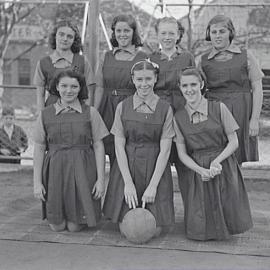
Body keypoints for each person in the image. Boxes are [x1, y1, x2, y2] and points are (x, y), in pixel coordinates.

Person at [173, 67, 253, 240]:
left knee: (226, 201)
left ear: (201, 84)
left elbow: (234, 142)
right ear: (179, 87)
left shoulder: (219, 108)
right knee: (201, 213)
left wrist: (217, 161)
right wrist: (200, 170)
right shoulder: (178, 117)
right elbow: (182, 153)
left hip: (222, 162)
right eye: (185, 85)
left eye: (193, 84)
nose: (189, 89)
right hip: (198, 168)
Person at [103, 59, 175, 235]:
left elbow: (165, 150)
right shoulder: (123, 106)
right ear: (133, 80)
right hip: (128, 165)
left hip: (154, 166)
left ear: (155, 79)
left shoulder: (165, 108)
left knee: (154, 230)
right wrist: (127, 183)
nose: (144, 84)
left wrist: (153, 186)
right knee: (130, 228)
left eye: (148, 79)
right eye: (140, 79)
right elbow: (119, 146)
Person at [33, 70, 109, 232]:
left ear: (80, 88)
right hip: (55, 170)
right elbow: (39, 148)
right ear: (57, 88)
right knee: (57, 226)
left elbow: (98, 146)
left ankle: (78, 216)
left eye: (74, 86)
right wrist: (37, 182)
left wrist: (101, 180)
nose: (69, 90)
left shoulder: (91, 113)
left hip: (83, 168)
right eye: (64, 86)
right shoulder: (45, 114)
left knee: (75, 227)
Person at [199, 15, 264, 164]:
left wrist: (254, 120)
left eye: (222, 31)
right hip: (215, 112)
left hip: (241, 111)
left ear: (230, 32)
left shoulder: (246, 56)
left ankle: (236, 187)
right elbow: (197, 91)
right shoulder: (203, 61)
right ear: (209, 34)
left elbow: (257, 88)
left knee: (237, 156)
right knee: (216, 156)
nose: (217, 35)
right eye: (214, 32)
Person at [94, 14, 148, 166]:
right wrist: (95, 113)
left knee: (130, 152)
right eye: (119, 31)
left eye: (127, 30)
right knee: (111, 150)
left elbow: (145, 89)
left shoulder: (143, 57)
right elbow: (99, 87)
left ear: (134, 33)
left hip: (131, 108)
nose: (122, 34)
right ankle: (113, 189)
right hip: (107, 108)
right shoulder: (106, 56)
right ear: (114, 33)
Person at [34, 20, 95, 111]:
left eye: (69, 36)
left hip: (77, 110)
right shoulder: (43, 63)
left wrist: (86, 114)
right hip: (52, 111)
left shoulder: (82, 61)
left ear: (74, 40)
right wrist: (41, 118)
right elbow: (40, 95)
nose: (65, 39)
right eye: (61, 34)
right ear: (55, 36)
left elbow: (90, 92)